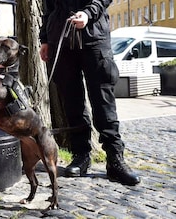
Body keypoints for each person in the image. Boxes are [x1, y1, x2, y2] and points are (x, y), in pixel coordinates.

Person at [39, 0, 140, 186]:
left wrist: (88, 13)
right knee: (71, 101)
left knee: (103, 101)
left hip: (94, 36)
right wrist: (44, 39)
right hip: (60, 37)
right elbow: (48, 7)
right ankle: (81, 155)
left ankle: (115, 159)